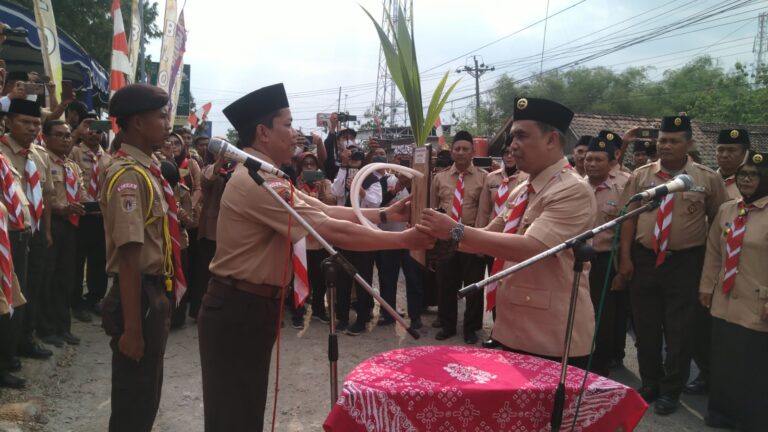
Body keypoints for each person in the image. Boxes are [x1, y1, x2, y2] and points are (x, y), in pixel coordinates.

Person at [197, 83, 433, 432]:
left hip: (249, 308)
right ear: (263, 132)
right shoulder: (256, 181)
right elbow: (328, 229)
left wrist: (386, 214)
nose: (295, 134)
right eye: (288, 124)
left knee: (245, 412)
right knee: (234, 417)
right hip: (238, 308)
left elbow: (324, 210)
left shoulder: (269, 176)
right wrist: (404, 240)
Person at [417, 97, 596, 365]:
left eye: (521, 136)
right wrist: (434, 235)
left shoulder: (572, 190)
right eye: (512, 137)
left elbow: (531, 248)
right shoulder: (523, 189)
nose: (512, 145)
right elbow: (487, 237)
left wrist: (454, 231)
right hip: (515, 327)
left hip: (551, 336)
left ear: (551, 140)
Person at [613, 115, 728, 415]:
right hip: (645, 259)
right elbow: (628, 220)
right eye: (662, 140)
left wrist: (711, 270)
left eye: (674, 140)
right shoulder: (641, 175)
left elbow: (718, 224)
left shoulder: (707, 179)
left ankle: (671, 390)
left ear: (688, 143)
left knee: (680, 332)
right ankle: (650, 383)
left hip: (686, 262)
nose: (666, 146)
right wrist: (625, 258)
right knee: (645, 327)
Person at [99, 84, 181, 432]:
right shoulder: (128, 176)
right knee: (134, 402)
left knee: (146, 395)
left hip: (153, 293)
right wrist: (132, 330)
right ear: (136, 122)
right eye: (160, 116)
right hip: (139, 297)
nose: (167, 123)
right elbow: (130, 258)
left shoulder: (149, 170)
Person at [698, 151, 768, 432]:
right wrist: (706, 286)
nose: (747, 180)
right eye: (743, 175)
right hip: (725, 298)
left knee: (753, 364)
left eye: (755, 175)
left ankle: (752, 419)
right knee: (725, 359)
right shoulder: (729, 209)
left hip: (757, 301)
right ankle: (723, 413)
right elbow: (714, 251)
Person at [0, 99, 54, 362]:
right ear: (8, 122)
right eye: (25, 122)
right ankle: (7, 354)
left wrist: (46, 232)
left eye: (35, 123)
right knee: (11, 294)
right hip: (8, 236)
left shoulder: (40, 156)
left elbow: (47, 196)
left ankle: (26, 340)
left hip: (35, 232)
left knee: (33, 288)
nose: (32, 128)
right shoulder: (2, 153)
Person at [429, 130, 487, 345]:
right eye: (457, 149)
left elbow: (484, 211)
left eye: (465, 149)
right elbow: (434, 210)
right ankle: (447, 325)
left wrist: (481, 242)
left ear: (472, 152)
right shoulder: (440, 178)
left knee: (473, 286)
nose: (461, 152)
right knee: (446, 284)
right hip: (446, 240)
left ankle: (470, 328)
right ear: (451, 152)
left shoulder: (483, 177)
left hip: (471, 237)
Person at [475, 137, 528, 348]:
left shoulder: (527, 179)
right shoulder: (491, 178)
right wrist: (479, 241)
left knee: (512, 287)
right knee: (494, 284)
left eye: (512, 152)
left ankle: (515, 333)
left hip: (514, 241)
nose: (509, 156)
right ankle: (497, 332)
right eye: (505, 152)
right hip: (493, 238)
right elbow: (483, 211)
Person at [38, 120, 85, 346]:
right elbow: (42, 197)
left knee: (65, 278)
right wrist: (62, 208)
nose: (65, 139)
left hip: (71, 226)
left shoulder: (72, 166)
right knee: (49, 277)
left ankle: (62, 326)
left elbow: (82, 193)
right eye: (59, 135)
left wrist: (87, 205)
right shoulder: (42, 160)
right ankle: (47, 330)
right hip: (51, 224)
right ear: (45, 138)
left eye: (68, 135)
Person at [583, 130, 626, 377]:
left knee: (602, 314)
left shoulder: (622, 188)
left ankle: (600, 364)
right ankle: (580, 356)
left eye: (598, 159)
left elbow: (627, 230)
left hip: (604, 260)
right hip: (578, 258)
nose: (592, 163)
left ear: (611, 163)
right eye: (589, 159)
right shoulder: (575, 185)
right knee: (577, 310)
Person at [329, 142, 381, 335]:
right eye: (351, 155)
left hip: (364, 234)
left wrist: (361, 191)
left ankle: (362, 317)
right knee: (342, 277)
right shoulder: (342, 171)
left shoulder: (371, 178)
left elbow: (376, 203)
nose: (354, 158)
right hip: (344, 232)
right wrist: (344, 165)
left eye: (356, 155)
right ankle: (342, 317)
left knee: (363, 278)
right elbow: (336, 192)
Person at [70, 114, 112, 322]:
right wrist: (76, 131)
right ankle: (76, 302)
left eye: (98, 129)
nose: (94, 133)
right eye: (90, 129)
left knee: (99, 259)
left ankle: (94, 298)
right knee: (78, 260)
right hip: (81, 214)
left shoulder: (108, 158)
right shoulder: (75, 152)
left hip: (101, 216)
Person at [289, 151, 335, 327]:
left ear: (317, 167)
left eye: (312, 164)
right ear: (300, 167)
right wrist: (302, 190)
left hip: (321, 239)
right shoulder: (293, 185)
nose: (309, 167)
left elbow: (332, 203)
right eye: (305, 164)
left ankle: (318, 310)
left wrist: (321, 190)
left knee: (320, 278)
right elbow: (297, 205)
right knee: (300, 278)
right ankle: (298, 315)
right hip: (303, 240)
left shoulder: (325, 182)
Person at [714, 128, 749, 200]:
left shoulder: (752, 184)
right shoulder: (707, 180)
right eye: (720, 150)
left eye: (731, 150)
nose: (724, 155)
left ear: (745, 153)